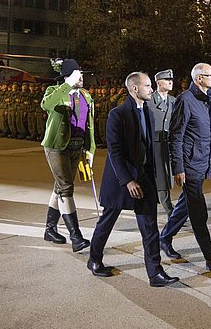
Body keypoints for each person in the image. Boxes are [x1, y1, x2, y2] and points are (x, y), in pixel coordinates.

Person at [87, 72, 179, 287]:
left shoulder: (147, 111)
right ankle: (94, 259)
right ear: (135, 89)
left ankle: (155, 273)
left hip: (144, 176)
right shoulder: (118, 114)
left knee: (149, 226)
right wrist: (128, 180)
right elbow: (115, 152)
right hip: (122, 179)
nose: (151, 89)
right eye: (147, 86)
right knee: (107, 221)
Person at [158, 63, 211, 272]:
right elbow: (176, 137)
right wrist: (178, 168)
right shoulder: (185, 100)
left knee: (185, 205)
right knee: (199, 212)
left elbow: (210, 132)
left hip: (202, 160)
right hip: (190, 165)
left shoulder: (208, 99)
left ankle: (165, 237)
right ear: (199, 78)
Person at [40, 59, 94, 252]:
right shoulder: (54, 92)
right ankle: (76, 236)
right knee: (66, 187)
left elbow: (90, 126)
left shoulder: (86, 96)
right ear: (68, 76)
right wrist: (67, 86)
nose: (82, 77)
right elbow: (47, 105)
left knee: (60, 187)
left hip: (77, 147)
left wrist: (90, 149)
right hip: (57, 146)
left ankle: (50, 229)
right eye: (78, 73)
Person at [146, 69, 176, 217]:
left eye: (171, 80)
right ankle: (168, 208)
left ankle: (170, 205)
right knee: (159, 176)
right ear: (158, 83)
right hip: (154, 144)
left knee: (168, 174)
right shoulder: (150, 101)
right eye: (167, 80)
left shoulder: (173, 101)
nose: (170, 82)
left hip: (169, 143)